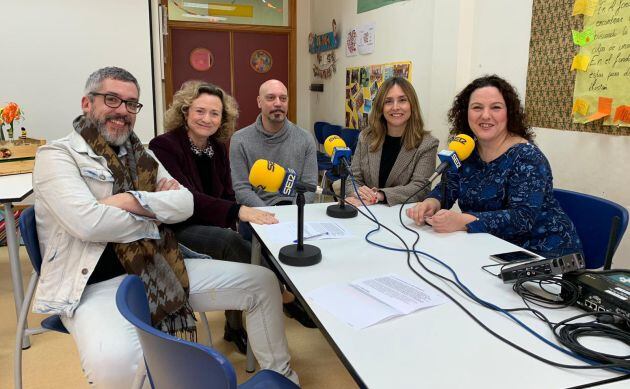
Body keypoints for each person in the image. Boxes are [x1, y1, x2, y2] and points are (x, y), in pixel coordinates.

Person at [32, 67, 299, 388]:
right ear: (87, 104)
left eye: (132, 104)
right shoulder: (56, 156)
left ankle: (282, 378)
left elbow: (184, 204)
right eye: (112, 99)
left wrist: (124, 201)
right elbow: (88, 224)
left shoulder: (140, 153)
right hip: (95, 282)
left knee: (261, 282)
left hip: (161, 263)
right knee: (117, 365)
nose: (123, 111)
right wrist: (151, 210)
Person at [149, 81, 313, 351]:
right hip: (177, 228)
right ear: (185, 111)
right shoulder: (164, 146)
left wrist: (235, 217)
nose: (207, 119)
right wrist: (236, 212)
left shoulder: (215, 147)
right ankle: (286, 297)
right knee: (230, 242)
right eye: (200, 111)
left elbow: (226, 192)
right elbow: (187, 198)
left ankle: (234, 328)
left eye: (215, 113)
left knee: (243, 242)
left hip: (211, 223)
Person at [406, 75, 581, 258]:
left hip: (543, 256)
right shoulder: (465, 150)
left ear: (509, 112)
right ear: (465, 113)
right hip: (490, 247)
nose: (485, 115)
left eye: (496, 107)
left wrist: (462, 221)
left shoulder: (527, 157)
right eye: (477, 108)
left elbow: (521, 219)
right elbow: (447, 190)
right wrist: (431, 203)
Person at [344, 76, 439, 207]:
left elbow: (420, 188)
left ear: (412, 105)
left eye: (402, 100)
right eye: (388, 101)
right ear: (381, 107)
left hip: (400, 218)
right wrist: (359, 194)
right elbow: (353, 179)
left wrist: (379, 195)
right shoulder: (366, 137)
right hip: (365, 210)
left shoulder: (427, 144)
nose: (395, 107)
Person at [230, 79, 318, 208]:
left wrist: (293, 214)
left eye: (283, 99)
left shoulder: (305, 139)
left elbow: (309, 185)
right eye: (271, 98)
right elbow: (241, 189)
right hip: (257, 211)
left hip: (295, 210)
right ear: (259, 102)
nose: (278, 103)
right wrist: (268, 216)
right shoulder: (240, 140)